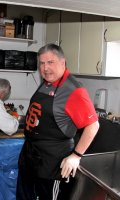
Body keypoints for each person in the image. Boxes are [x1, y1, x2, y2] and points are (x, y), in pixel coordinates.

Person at [16, 44, 99, 200]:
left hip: (51, 165)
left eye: (50, 62)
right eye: (42, 63)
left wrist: (76, 156)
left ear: (63, 62)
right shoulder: (47, 82)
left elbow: (93, 125)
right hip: (30, 159)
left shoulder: (73, 90)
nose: (45, 68)